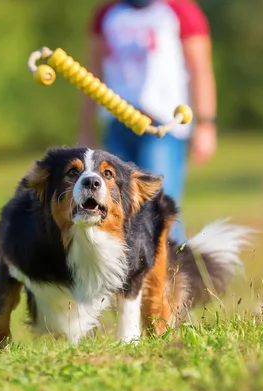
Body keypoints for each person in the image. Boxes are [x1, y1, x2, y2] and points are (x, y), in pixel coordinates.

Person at [79, 0, 218, 244]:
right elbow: (93, 73)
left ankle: (174, 278)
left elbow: (200, 67)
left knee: (158, 210)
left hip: (162, 128)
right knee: (114, 210)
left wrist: (206, 124)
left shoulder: (180, 11)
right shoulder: (107, 14)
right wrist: (85, 129)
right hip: (117, 126)